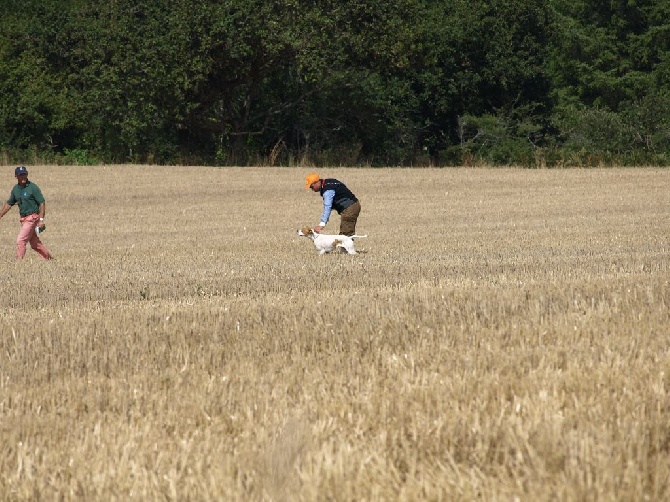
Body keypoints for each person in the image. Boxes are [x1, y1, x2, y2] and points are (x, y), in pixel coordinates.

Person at [0, 166, 53, 260]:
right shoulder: (15, 189)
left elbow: (42, 203)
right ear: (16, 176)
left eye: (24, 174)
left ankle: (18, 262)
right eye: (21, 175)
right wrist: (0, 215)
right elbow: (9, 203)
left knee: (21, 240)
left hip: (32, 218)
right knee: (35, 244)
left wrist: (41, 220)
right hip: (24, 219)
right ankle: (49, 259)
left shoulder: (33, 187)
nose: (23, 176)